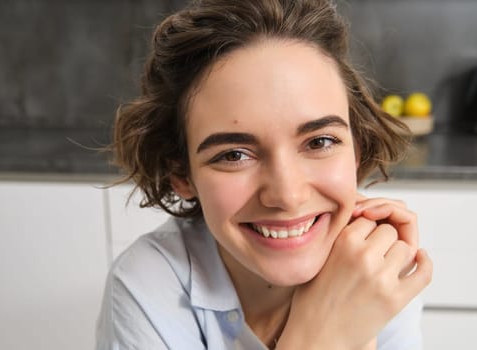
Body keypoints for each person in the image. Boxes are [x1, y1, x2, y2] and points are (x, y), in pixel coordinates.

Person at [97, 0, 433, 349]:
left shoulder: (374, 268)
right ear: (182, 175)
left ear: (356, 149)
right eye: (234, 155)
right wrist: (321, 337)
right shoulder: (145, 284)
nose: (287, 195)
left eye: (319, 141)